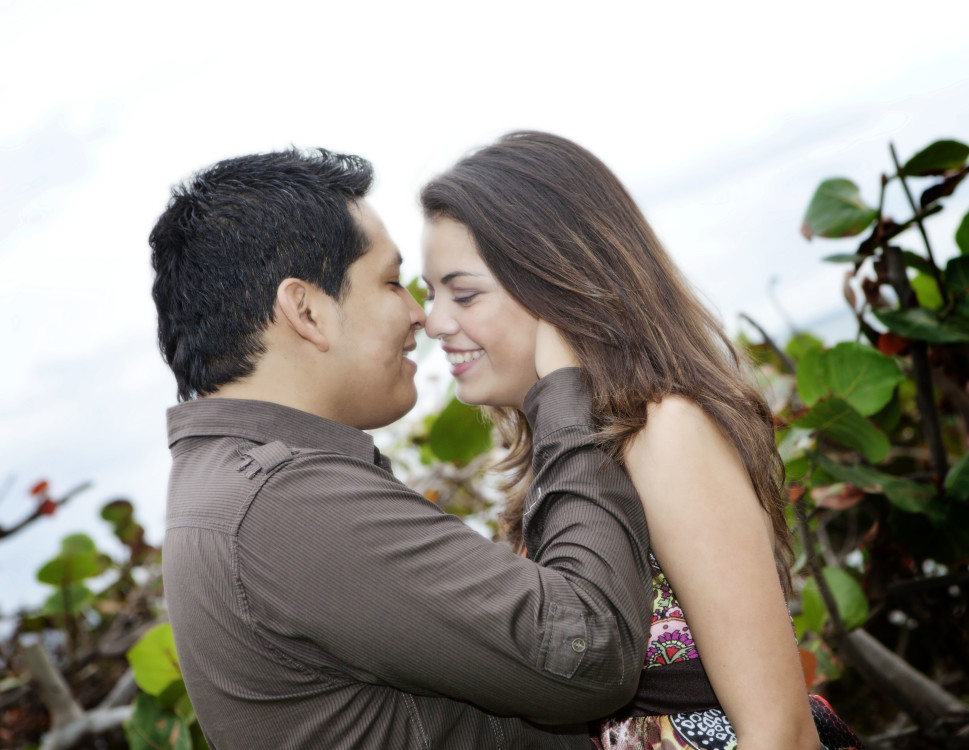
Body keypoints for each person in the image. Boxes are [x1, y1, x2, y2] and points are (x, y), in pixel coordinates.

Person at [149, 148, 655, 749]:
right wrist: (566, 403)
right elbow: (589, 650)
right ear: (305, 309)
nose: (422, 316)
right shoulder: (288, 503)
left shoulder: (233, 488)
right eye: (392, 283)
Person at [420, 132, 864, 750]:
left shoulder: (664, 432)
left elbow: (779, 731)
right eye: (430, 293)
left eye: (463, 293)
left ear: (558, 283)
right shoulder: (569, 456)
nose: (435, 322)